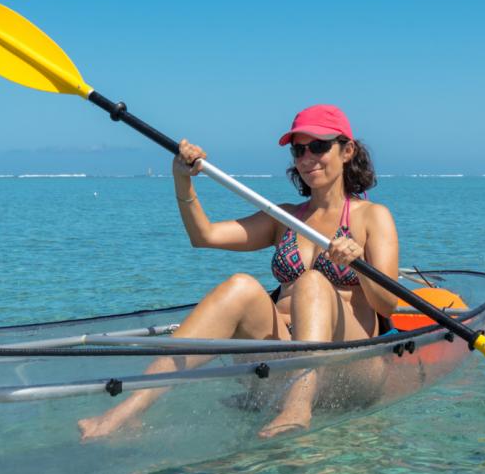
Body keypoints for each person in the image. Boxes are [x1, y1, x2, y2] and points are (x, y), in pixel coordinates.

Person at [77, 104, 401, 441]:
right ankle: (127, 411)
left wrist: (360, 265)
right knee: (240, 285)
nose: (307, 158)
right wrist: (183, 179)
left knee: (312, 282)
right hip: (285, 360)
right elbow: (204, 236)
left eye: (318, 146)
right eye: (299, 150)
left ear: (347, 151)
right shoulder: (286, 217)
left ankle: (297, 407)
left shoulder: (372, 216)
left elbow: (387, 305)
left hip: (351, 366)